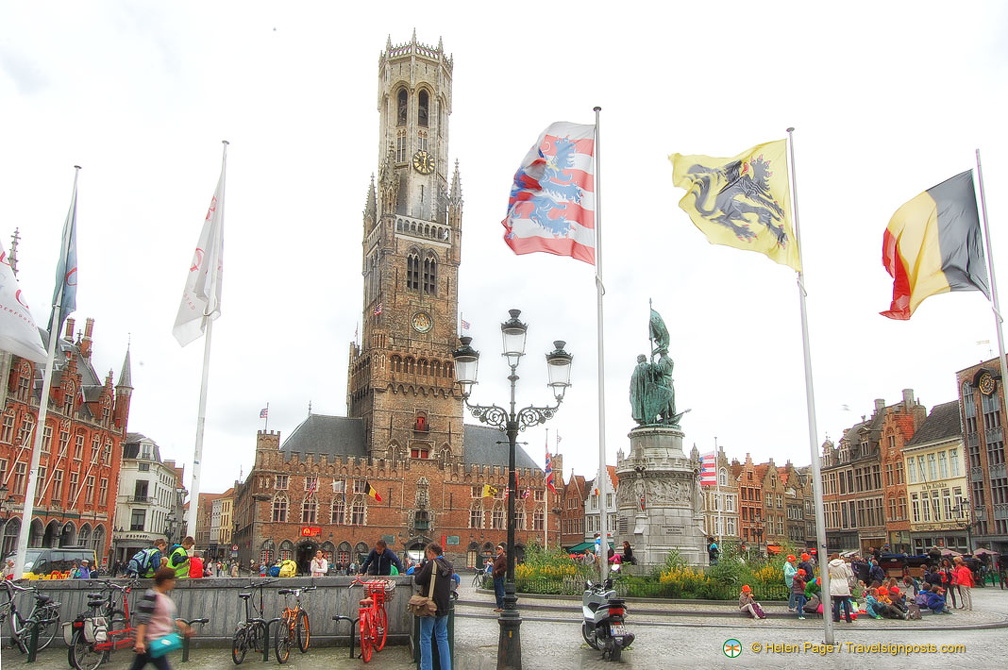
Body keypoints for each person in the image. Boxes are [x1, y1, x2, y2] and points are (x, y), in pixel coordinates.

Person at [131, 567, 195, 670]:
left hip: (156, 642)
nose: (174, 583)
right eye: (172, 580)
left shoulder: (163, 597)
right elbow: (143, 619)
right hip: (151, 642)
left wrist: (185, 628)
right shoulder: (151, 595)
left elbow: (169, 617)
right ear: (166, 581)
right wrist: (139, 641)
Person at [414, 543, 452, 670]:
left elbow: (418, 580)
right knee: (442, 638)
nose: (427, 557)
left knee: (425, 638)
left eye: (427, 554)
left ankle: (426, 668)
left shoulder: (431, 564)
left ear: (431, 552)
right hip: (444, 606)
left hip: (430, 606)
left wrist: (418, 569)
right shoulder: (449, 565)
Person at [827, 553, 854, 623]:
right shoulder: (843, 565)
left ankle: (837, 618)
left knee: (836, 603)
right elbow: (848, 574)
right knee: (845, 602)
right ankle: (848, 618)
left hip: (834, 584)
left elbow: (827, 573)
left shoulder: (830, 565)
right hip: (843, 584)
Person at [491, 544, 507, 613]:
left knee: (500, 592)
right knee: (497, 592)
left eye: (499, 549)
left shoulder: (503, 558)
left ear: (502, 550)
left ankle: (501, 606)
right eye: (497, 549)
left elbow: (505, 567)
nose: (497, 550)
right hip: (496, 577)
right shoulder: (498, 558)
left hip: (499, 577)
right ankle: (499, 606)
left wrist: (498, 571)